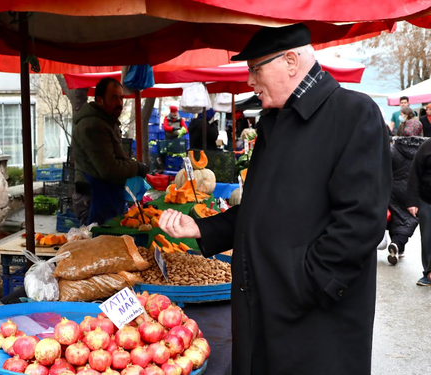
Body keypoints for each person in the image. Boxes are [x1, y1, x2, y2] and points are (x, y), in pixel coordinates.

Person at [158, 23, 390, 375]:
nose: (250, 81)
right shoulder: (273, 122)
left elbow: (361, 222)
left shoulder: (354, 114)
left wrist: (304, 284)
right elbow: (258, 209)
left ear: (292, 61)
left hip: (315, 323)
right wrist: (203, 228)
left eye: (255, 69)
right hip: (265, 311)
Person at [71, 77, 149, 225]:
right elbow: (109, 169)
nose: (119, 103)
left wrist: (133, 164)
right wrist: (136, 167)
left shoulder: (107, 121)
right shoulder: (93, 126)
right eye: (114, 98)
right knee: (100, 244)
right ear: (100, 100)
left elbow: (117, 158)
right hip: (94, 198)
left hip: (107, 195)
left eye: (121, 98)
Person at [386, 108, 424, 266]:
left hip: (394, 189)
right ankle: (399, 243)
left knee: (395, 215)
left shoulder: (395, 148)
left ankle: (396, 244)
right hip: (413, 191)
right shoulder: (424, 150)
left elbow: (386, 167)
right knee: (409, 219)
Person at [406, 134, 431, 286]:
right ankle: (427, 272)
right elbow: (414, 174)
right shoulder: (427, 147)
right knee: (427, 238)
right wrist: (412, 201)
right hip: (426, 199)